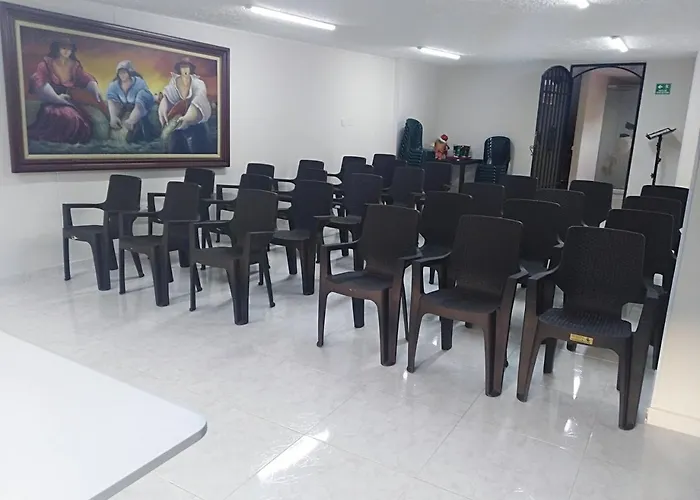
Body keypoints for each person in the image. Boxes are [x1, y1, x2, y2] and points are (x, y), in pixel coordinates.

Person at [27, 37, 102, 144]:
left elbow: (84, 78)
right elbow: (39, 80)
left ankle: (75, 145)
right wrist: (57, 98)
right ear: (57, 49)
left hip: (67, 101)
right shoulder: (46, 64)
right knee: (67, 117)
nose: (67, 51)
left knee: (81, 119)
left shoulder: (74, 65)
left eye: (69, 49)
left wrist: (94, 86)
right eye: (63, 48)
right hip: (52, 103)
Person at [159, 57, 212, 153]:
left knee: (199, 149)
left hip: (196, 120)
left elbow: (199, 98)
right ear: (179, 69)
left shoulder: (198, 83)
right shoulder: (174, 82)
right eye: (182, 67)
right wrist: (163, 108)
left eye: (187, 67)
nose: (185, 70)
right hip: (178, 122)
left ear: (191, 69)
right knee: (175, 148)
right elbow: (167, 96)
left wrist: (188, 117)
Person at [106, 60, 155, 141]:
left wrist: (131, 120)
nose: (122, 75)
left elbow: (143, 100)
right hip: (123, 111)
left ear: (130, 73)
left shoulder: (139, 83)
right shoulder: (113, 86)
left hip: (140, 111)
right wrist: (113, 117)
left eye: (124, 72)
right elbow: (112, 100)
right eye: (120, 73)